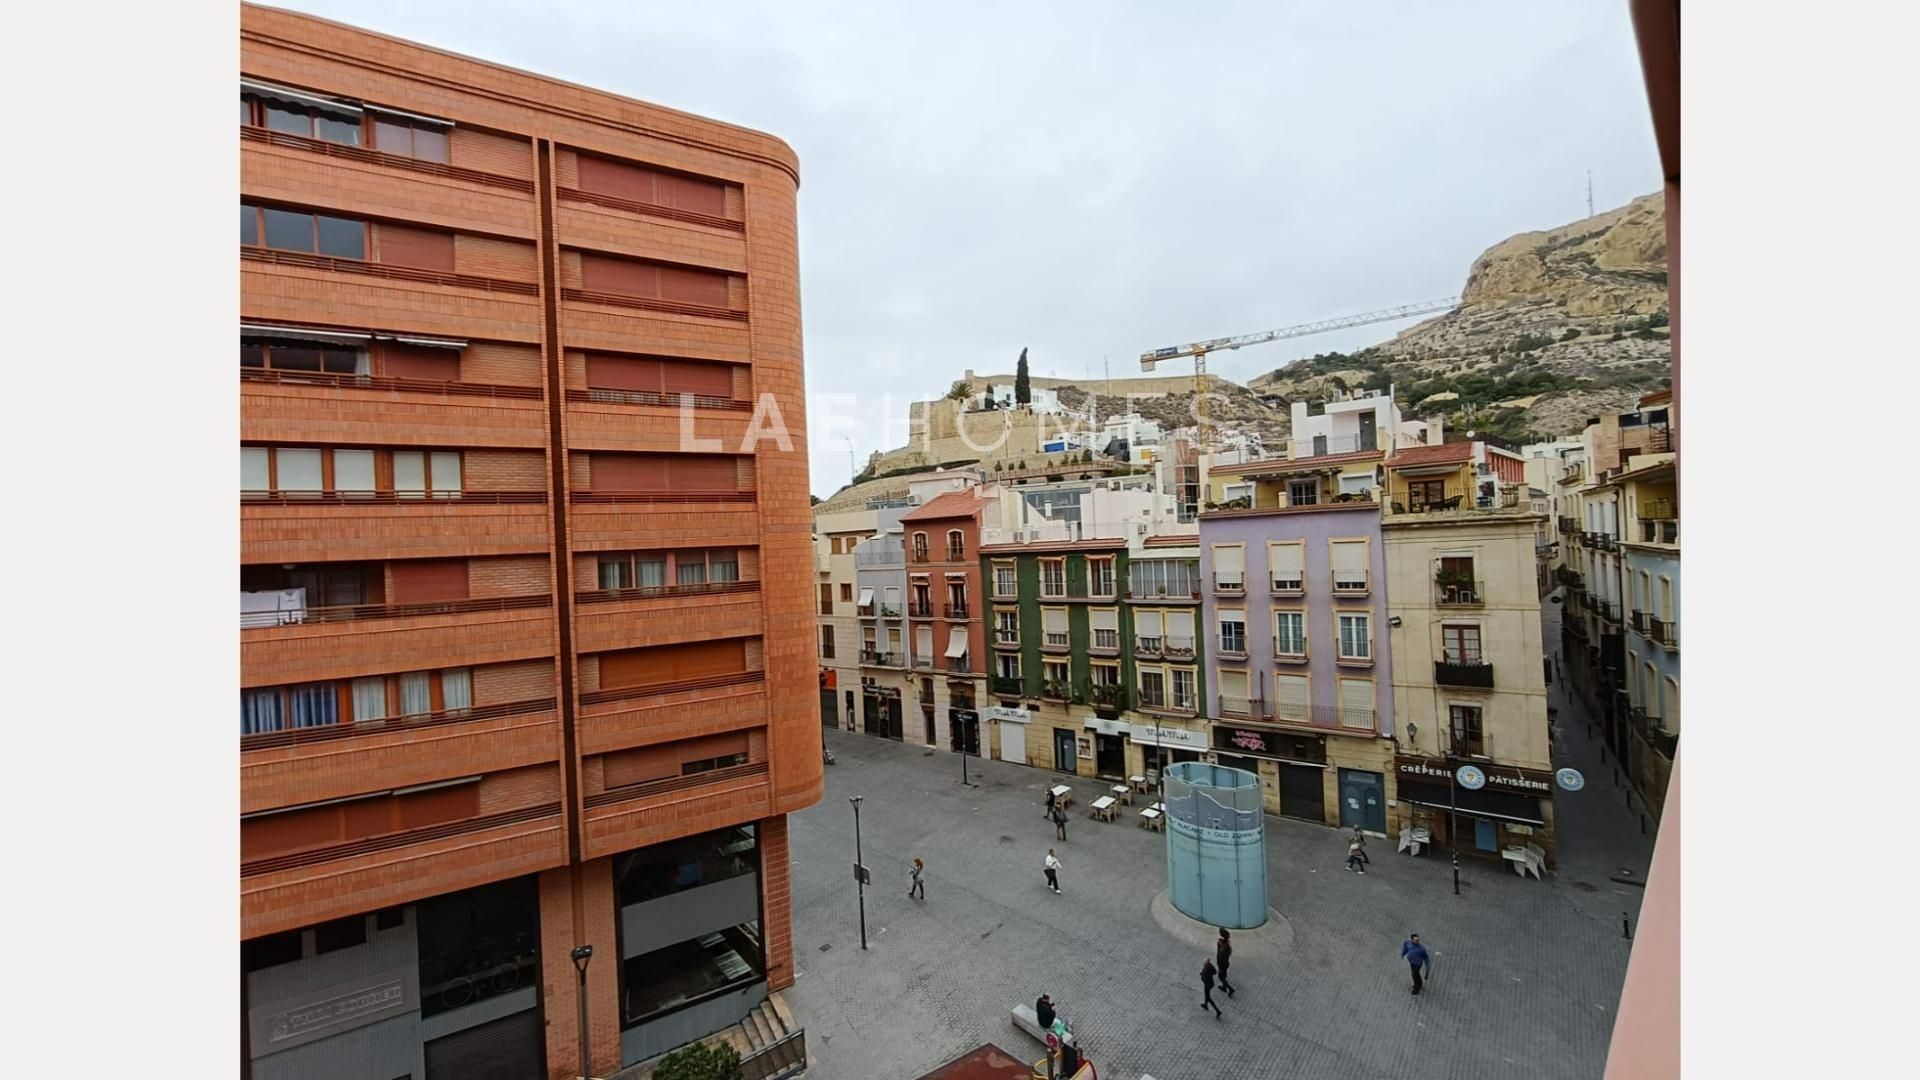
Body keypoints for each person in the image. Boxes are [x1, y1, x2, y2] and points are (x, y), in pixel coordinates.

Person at [1215, 928, 1235, 997]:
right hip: (1226, 963)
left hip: (1222, 964)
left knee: (1221, 977)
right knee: (1224, 975)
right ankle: (1224, 987)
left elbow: (1220, 955)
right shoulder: (1228, 944)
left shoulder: (1222, 945)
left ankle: (1230, 988)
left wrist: (1219, 945)